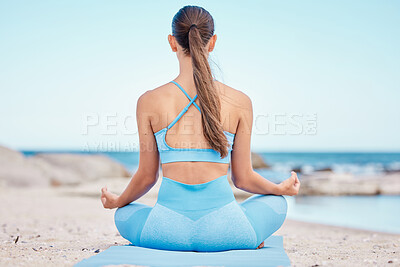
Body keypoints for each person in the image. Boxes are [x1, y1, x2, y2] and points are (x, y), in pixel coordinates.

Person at [100, 5, 300, 252]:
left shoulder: (149, 101)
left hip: (164, 233)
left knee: (124, 214)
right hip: (228, 232)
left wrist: (118, 200)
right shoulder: (240, 101)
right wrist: (278, 188)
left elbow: (147, 177)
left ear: (173, 43)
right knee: (278, 203)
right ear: (212, 42)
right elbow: (243, 179)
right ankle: (245, 237)